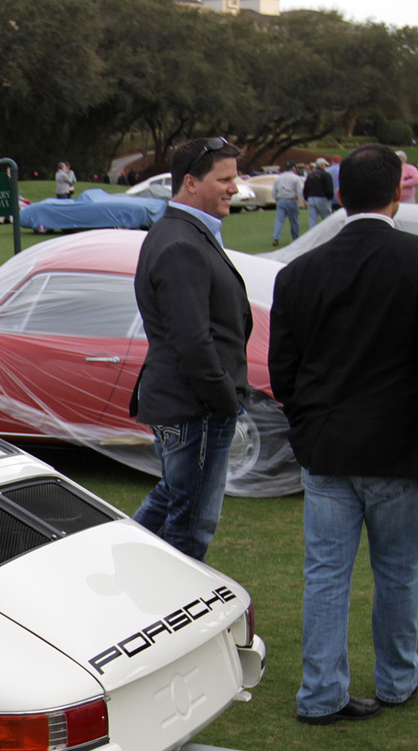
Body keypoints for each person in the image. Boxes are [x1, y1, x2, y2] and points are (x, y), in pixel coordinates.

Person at [268, 143, 418, 725]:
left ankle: (323, 692)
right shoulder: (412, 261)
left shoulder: (301, 271)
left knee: (326, 576)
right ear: (395, 195)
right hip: (394, 450)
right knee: (398, 573)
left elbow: (285, 370)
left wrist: (308, 427)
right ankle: (397, 681)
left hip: (328, 445)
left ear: (337, 196)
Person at [130, 136, 252, 562]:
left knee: (174, 499)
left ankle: (122, 561)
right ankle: (167, 604)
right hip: (195, 407)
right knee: (191, 525)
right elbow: (192, 340)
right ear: (191, 183)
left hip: (189, 404)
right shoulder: (180, 241)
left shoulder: (183, 233)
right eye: (225, 179)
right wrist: (224, 402)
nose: (235, 189)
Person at [271, 164, 303, 246]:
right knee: (294, 221)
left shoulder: (279, 177)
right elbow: (300, 191)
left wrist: (276, 199)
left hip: (281, 200)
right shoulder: (296, 178)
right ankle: (296, 238)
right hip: (291, 199)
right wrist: (303, 201)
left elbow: (274, 191)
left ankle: (275, 237)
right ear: (293, 168)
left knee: (279, 220)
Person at [303, 158, 335, 228]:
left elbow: (306, 187)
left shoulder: (310, 175)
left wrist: (306, 198)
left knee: (312, 221)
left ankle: (312, 237)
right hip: (322, 198)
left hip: (311, 198)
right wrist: (330, 197)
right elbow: (329, 188)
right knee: (327, 219)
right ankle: (328, 236)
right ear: (322, 165)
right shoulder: (326, 175)